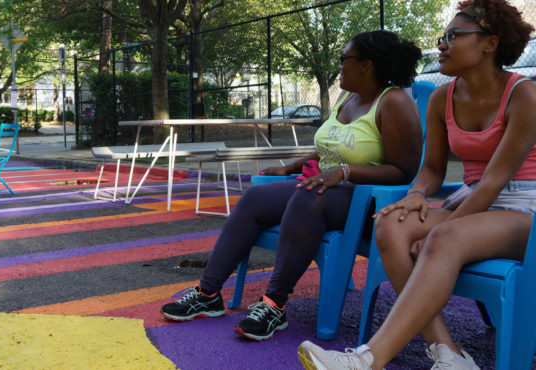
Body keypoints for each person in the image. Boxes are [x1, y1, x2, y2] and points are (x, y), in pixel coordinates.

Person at [297, 0, 536, 369]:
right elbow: (432, 171)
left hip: (524, 207)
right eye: (443, 36)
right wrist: (414, 196)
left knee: (442, 237)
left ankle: (367, 360)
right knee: (391, 224)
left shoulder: (524, 95)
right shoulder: (442, 98)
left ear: (490, 43)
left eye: (454, 36)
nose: (442, 45)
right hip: (475, 201)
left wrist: (446, 224)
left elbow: (494, 182)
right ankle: (450, 354)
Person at [161, 30, 423, 341]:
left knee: (307, 197)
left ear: (367, 65)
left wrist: (344, 171)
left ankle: (274, 305)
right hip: (325, 188)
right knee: (255, 197)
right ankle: (208, 293)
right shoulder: (349, 98)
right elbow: (329, 147)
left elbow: (404, 172)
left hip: (367, 202)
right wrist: (290, 167)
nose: (339, 67)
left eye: (344, 60)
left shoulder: (394, 102)